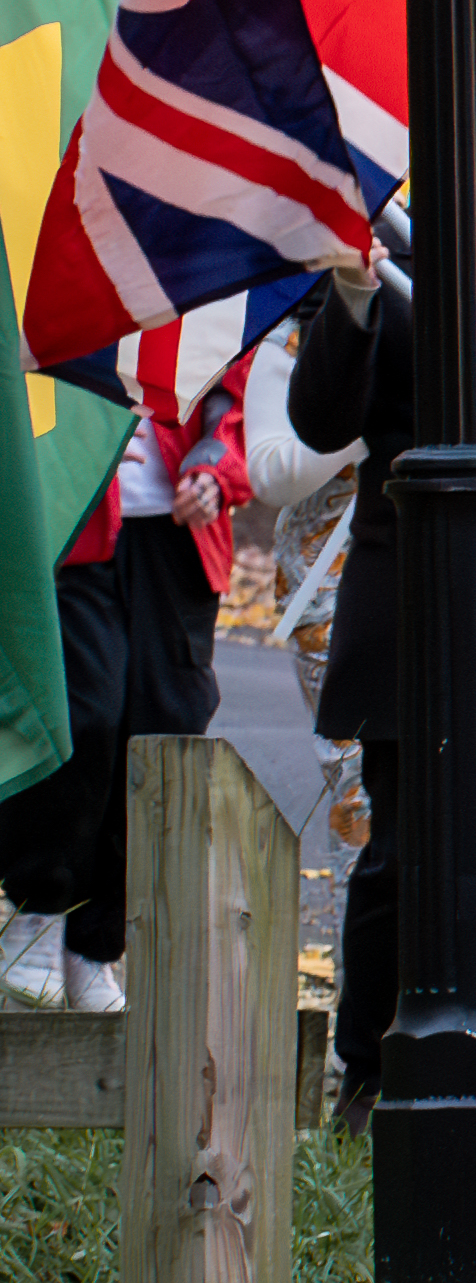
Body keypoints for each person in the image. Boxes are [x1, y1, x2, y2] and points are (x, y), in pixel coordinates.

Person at [291, 75, 476, 1124]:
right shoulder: (389, 257)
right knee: (400, 850)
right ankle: (368, 1078)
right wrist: (358, 297)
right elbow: (322, 413)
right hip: (407, 585)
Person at [0, 363, 248, 1011]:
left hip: (174, 532)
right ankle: (38, 911)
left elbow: (231, 377)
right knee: (83, 716)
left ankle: (97, 945)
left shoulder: (189, 271)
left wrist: (213, 464)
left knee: (165, 730)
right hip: (66, 515)